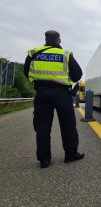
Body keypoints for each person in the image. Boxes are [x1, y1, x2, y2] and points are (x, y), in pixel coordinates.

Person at [24, 30, 84, 168]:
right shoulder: (65, 54)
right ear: (59, 40)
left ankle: (44, 159)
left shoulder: (34, 53)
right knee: (68, 124)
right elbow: (78, 74)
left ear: (45, 39)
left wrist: (38, 82)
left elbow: (26, 71)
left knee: (42, 126)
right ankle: (70, 155)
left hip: (42, 92)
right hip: (62, 93)